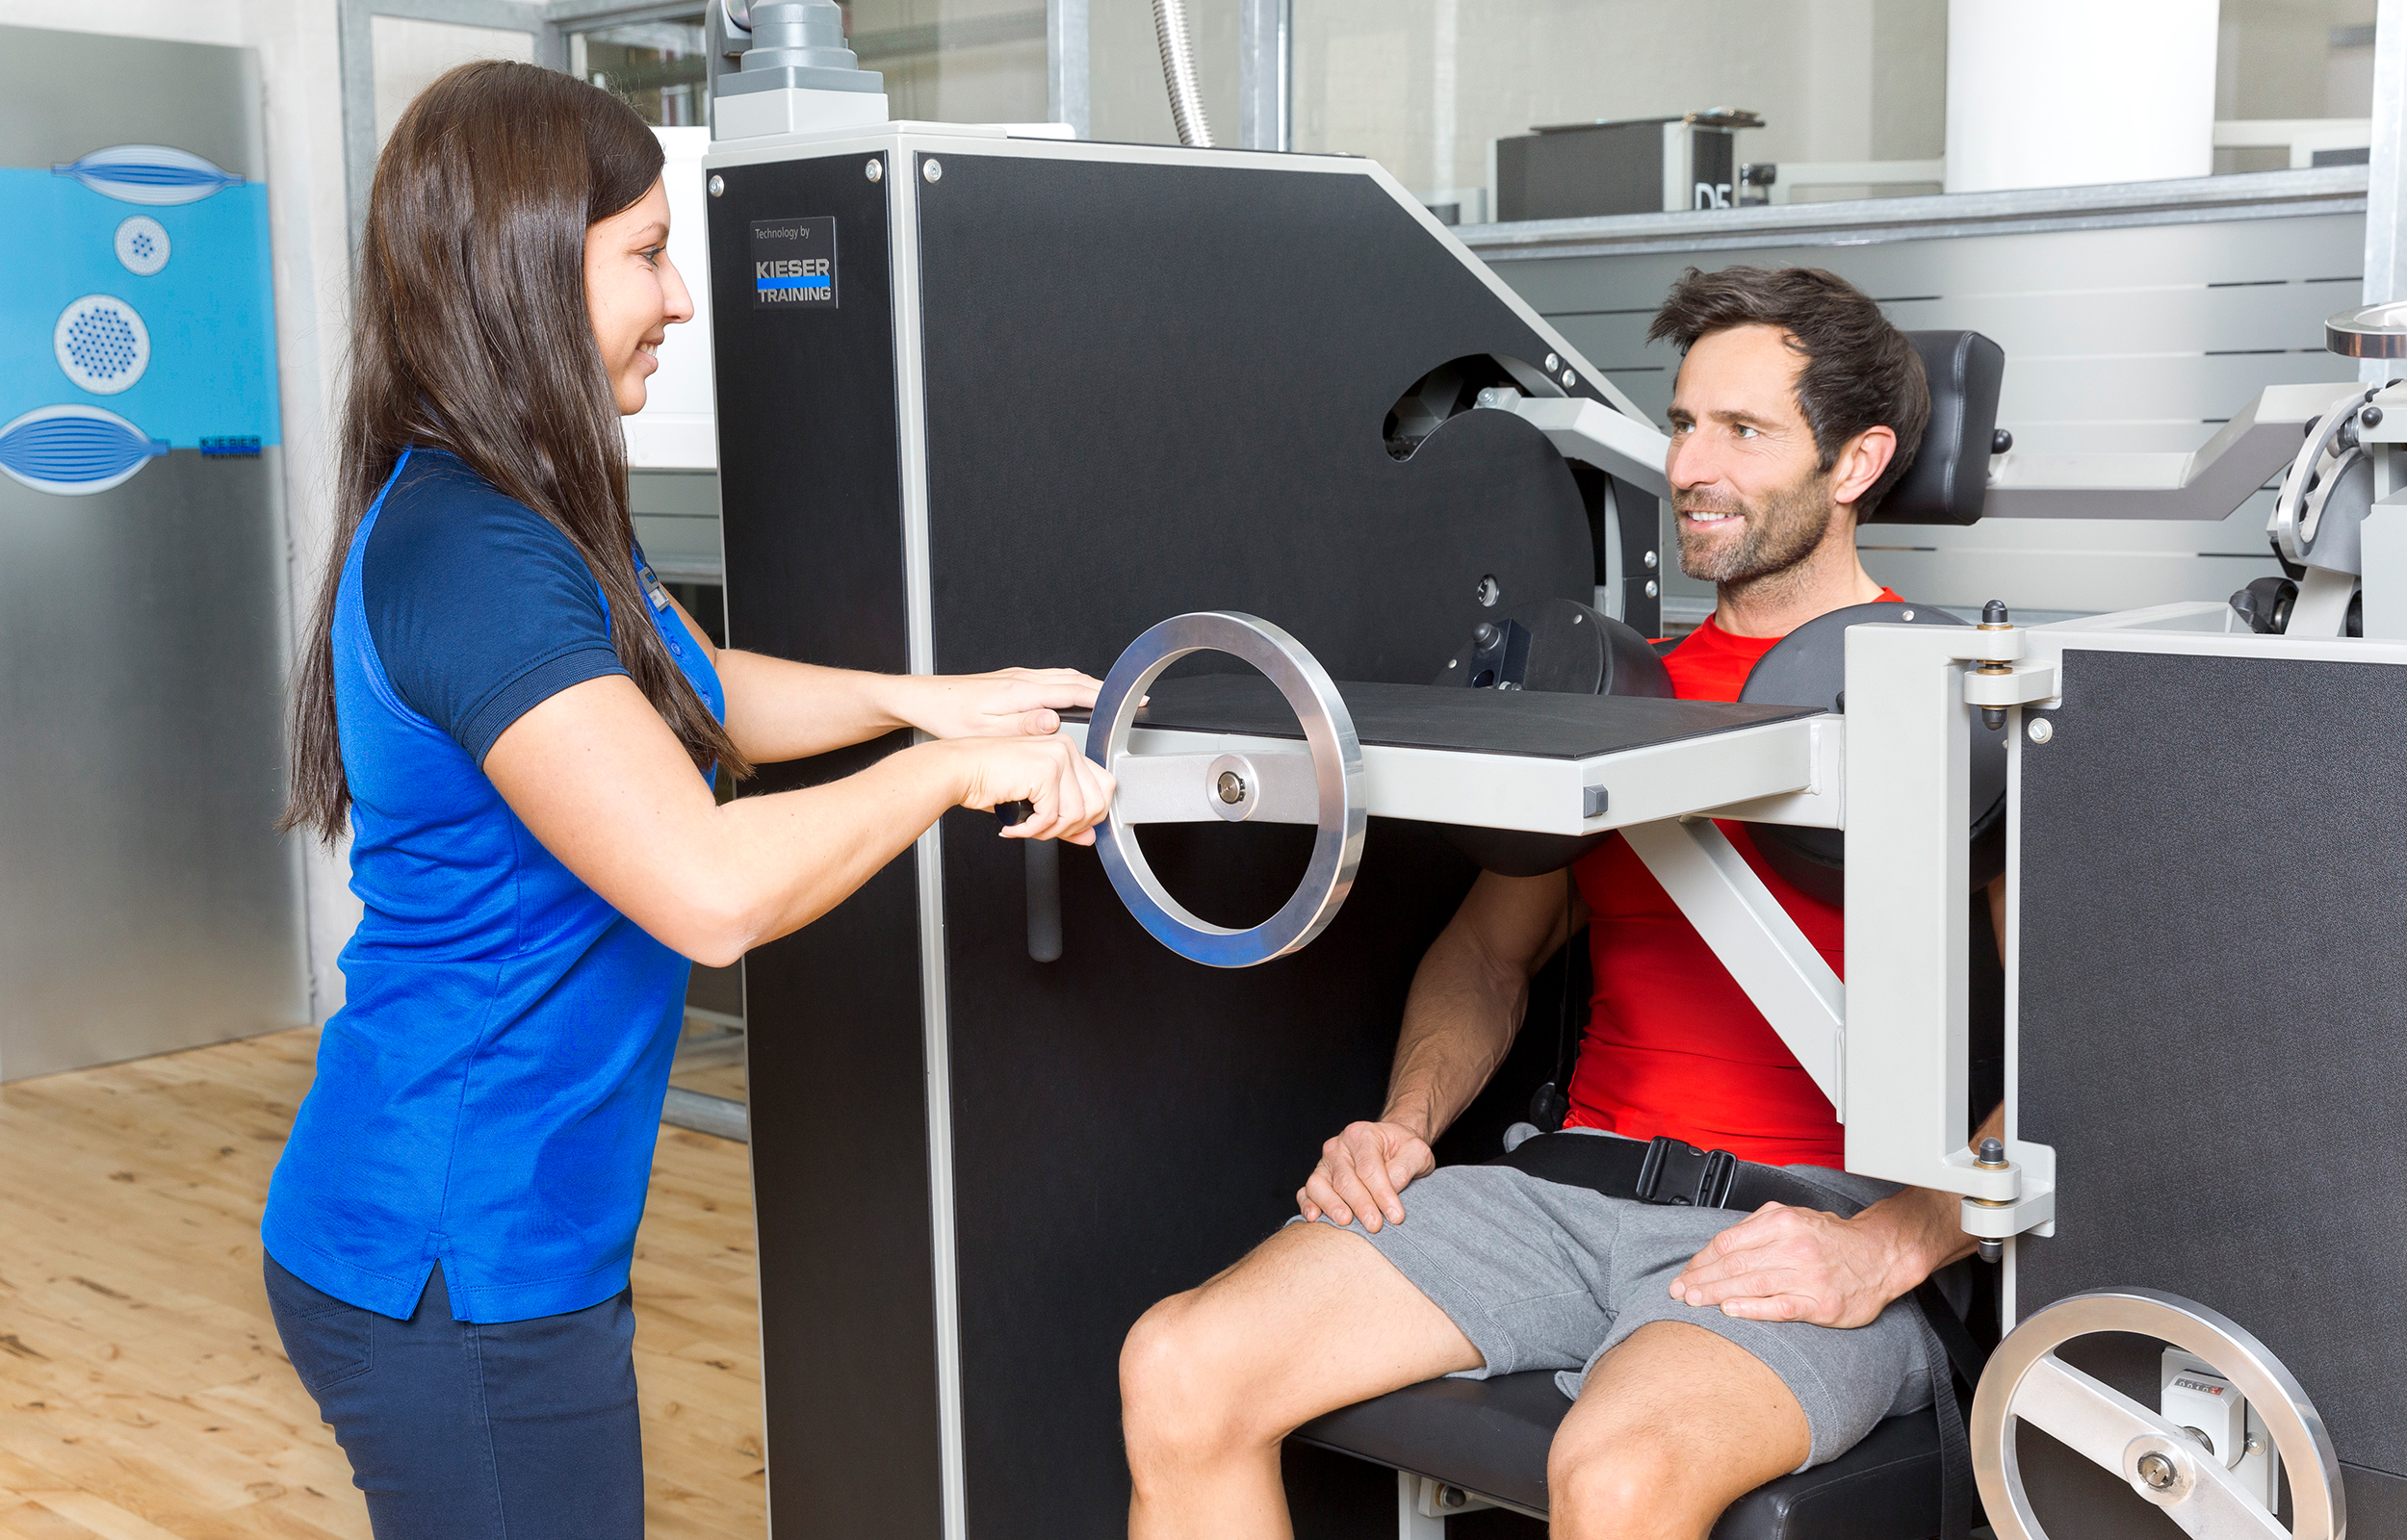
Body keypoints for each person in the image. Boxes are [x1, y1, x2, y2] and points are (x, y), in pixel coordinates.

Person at [261, 62, 1113, 1539]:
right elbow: (706, 889)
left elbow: (701, 694)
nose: (681, 298)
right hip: (452, 1252)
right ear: (527, 275)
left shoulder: (515, 510)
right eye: (647, 254)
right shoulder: (475, 553)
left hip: (504, 1234)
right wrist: (947, 774)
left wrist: (923, 700)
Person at [1121, 266, 2006, 1540]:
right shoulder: (1619, 695)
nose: (1692, 463)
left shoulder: (1965, 705)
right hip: (1557, 1191)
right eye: (1685, 421)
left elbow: (2080, 1061)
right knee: (1181, 1366)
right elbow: (1488, 956)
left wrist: (1891, 1247)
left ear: (1858, 462)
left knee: (1621, 1477)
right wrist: (1404, 1123)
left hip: (1807, 1223)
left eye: (1743, 433)